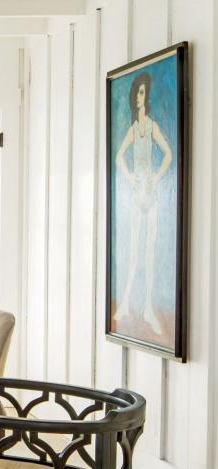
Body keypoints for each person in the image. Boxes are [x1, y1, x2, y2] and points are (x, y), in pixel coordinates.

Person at [113, 71, 172, 334]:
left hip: (152, 194)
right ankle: (125, 302)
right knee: (134, 252)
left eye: (143, 93)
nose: (140, 97)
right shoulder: (133, 129)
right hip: (138, 193)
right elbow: (119, 158)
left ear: (146, 98)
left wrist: (156, 178)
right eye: (138, 92)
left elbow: (168, 155)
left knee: (148, 253)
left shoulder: (151, 126)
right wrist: (131, 179)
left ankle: (148, 307)